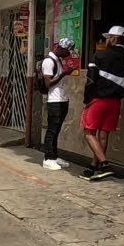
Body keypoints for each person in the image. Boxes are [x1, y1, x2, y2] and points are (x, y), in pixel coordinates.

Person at [81, 26, 124, 180]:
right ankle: (93, 167)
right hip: (116, 102)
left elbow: (90, 81)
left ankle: (104, 164)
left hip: (98, 100)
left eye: (108, 37)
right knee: (103, 135)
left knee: (89, 133)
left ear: (114, 39)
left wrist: (87, 100)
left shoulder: (100, 55)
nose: (106, 40)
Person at [40, 38, 77, 170]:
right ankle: (48, 158)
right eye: (68, 51)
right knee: (52, 130)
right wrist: (64, 74)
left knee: (57, 130)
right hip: (54, 101)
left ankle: (54, 156)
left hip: (62, 100)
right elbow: (48, 83)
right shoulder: (49, 61)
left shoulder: (58, 60)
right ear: (61, 48)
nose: (69, 54)